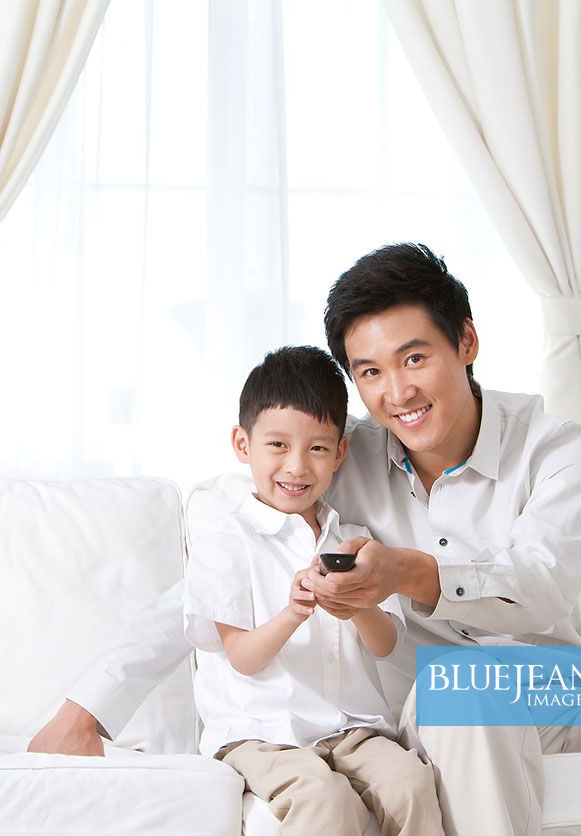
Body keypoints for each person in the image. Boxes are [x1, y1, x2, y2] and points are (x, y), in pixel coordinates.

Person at [30, 242, 581, 836]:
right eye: (368, 372)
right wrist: (87, 710)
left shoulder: (552, 447)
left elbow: (540, 586)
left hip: (558, 684)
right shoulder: (339, 456)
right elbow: (221, 578)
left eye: (414, 358)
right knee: (470, 692)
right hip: (437, 698)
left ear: (465, 341)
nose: (394, 392)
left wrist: (409, 571)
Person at [185, 345, 443, 836]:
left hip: (350, 728)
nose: (298, 467)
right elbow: (241, 656)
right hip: (262, 734)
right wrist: (292, 613)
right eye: (277, 445)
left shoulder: (355, 539)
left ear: (340, 453)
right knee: (324, 798)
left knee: (410, 782)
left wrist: (358, 605)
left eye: (318, 448)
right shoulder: (226, 542)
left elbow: (386, 644)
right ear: (243, 444)